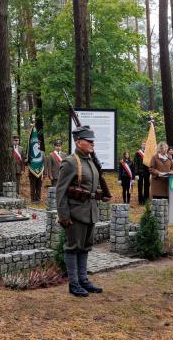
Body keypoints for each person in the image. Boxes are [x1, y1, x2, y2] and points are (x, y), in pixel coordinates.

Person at [56, 125, 109, 297]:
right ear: (79, 142)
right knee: (73, 247)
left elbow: (93, 185)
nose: (93, 143)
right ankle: (74, 283)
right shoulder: (70, 162)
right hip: (75, 213)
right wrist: (64, 215)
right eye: (89, 140)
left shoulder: (90, 161)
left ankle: (83, 280)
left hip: (90, 211)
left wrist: (102, 194)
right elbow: (61, 191)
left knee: (85, 247)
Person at [134, 140, 150, 205]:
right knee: (140, 186)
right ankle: (140, 200)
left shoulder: (148, 153)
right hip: (140, 172)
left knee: (147, 186)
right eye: (143, 144)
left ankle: (146, 200)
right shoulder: (138, 153)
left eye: (145, 144)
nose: (144, 145)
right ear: (141, 145)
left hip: (147, 172)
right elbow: (136, 164)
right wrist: (136, 173)